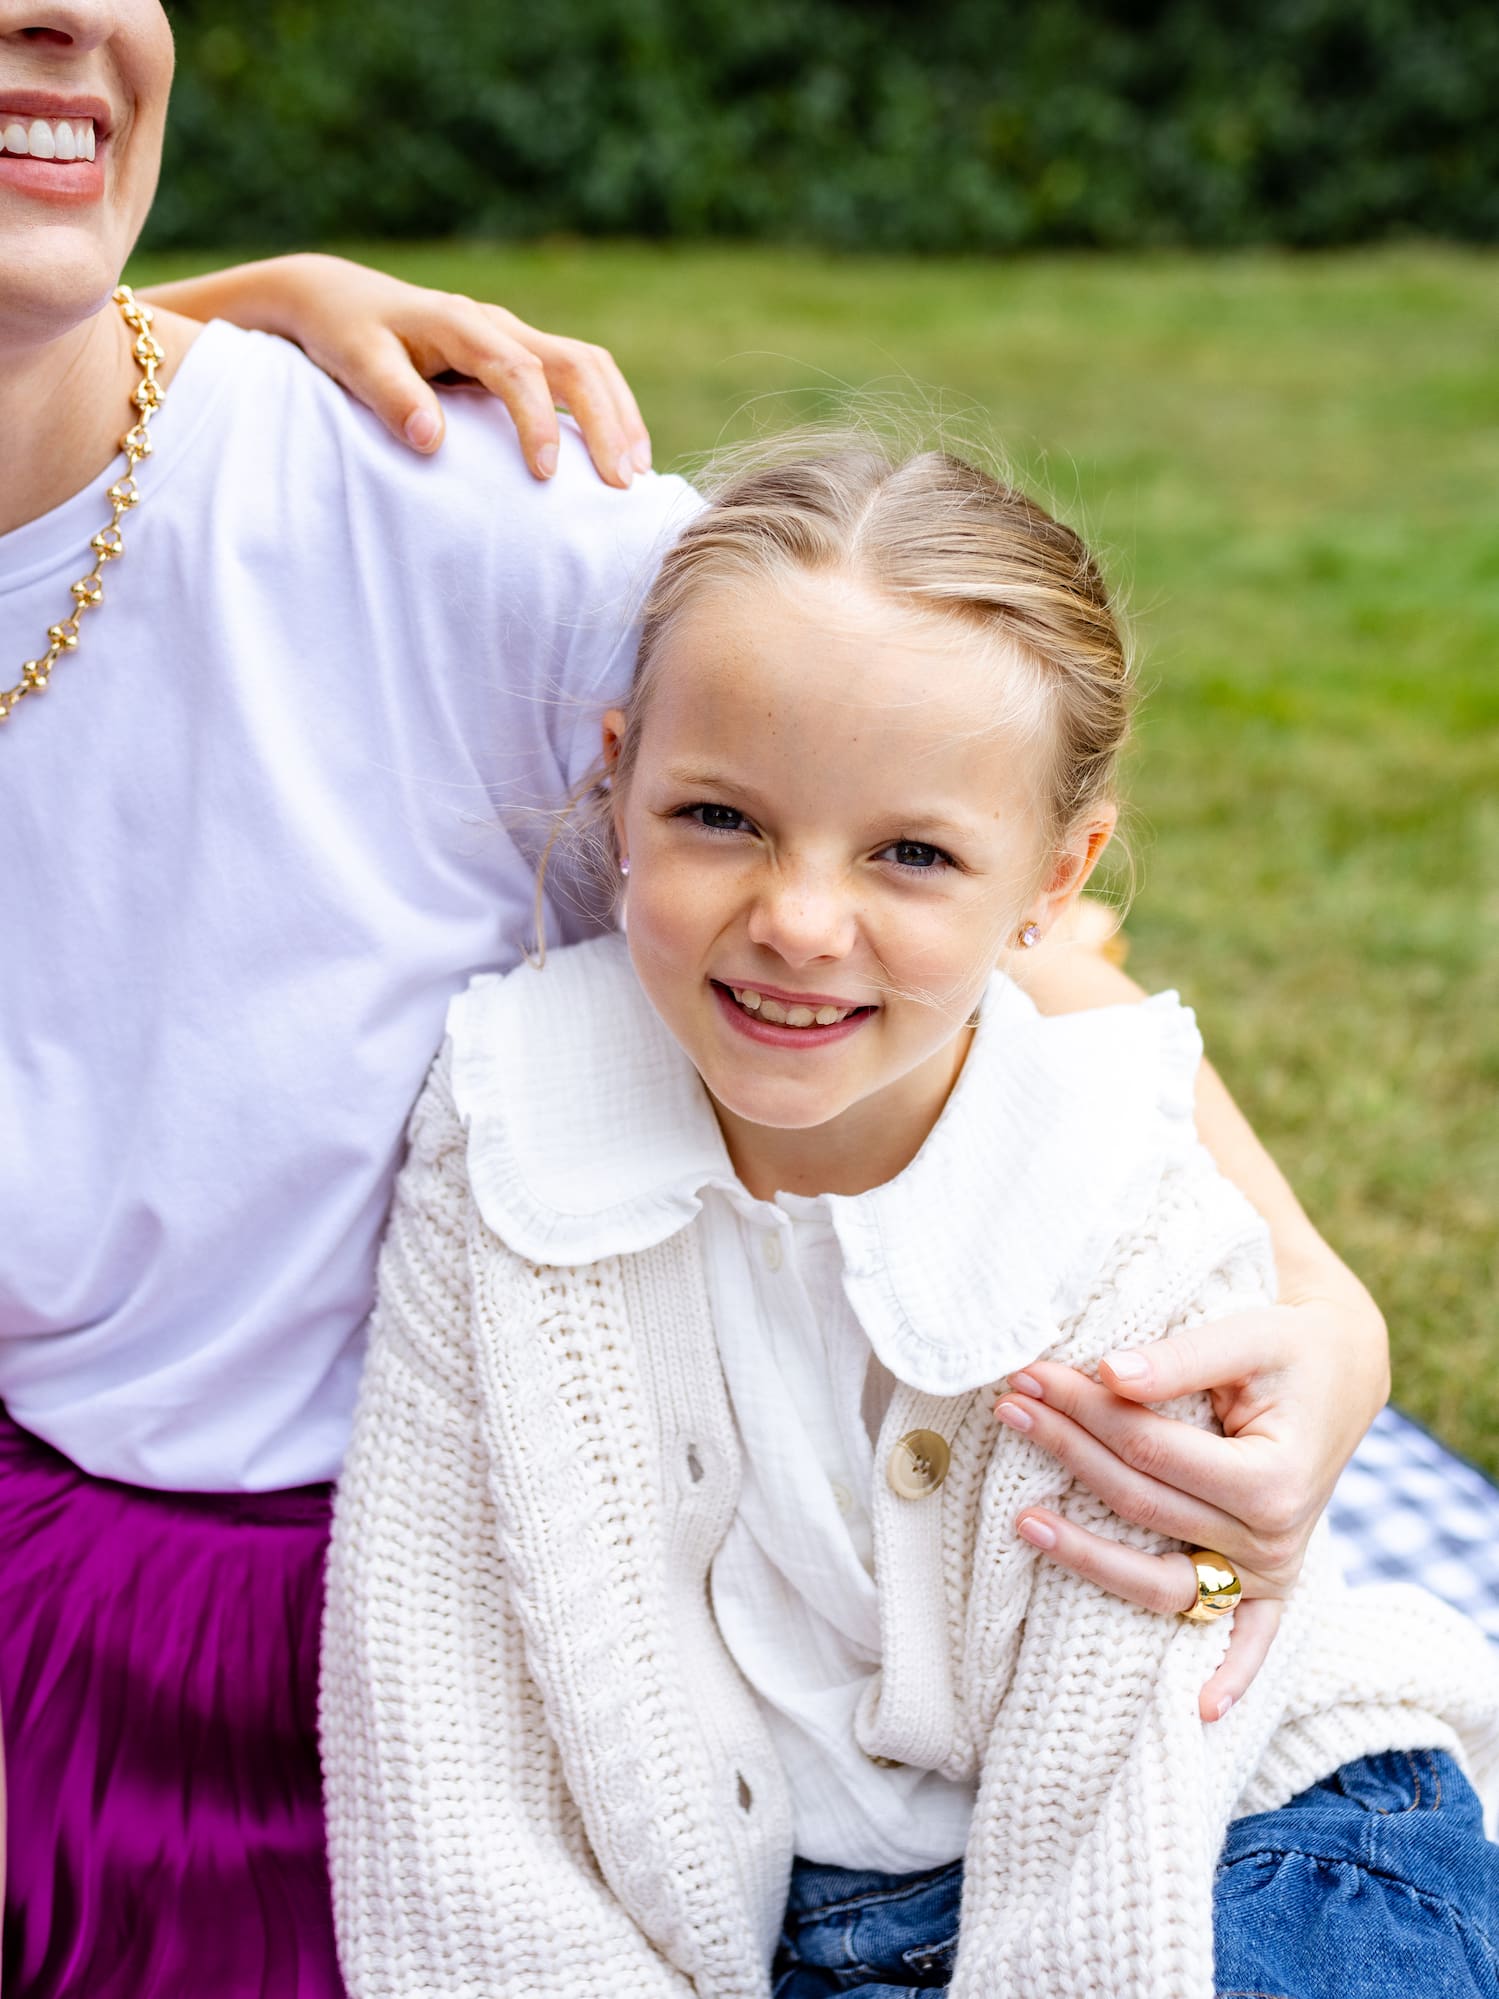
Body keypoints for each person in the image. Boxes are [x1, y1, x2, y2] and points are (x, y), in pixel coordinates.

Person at [0, 3, 1400, 1992]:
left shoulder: (436, 500)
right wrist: (200, 293)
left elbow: (929, 859)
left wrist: (1319, 1303)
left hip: (452, 1601)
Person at [323, 439, 1499, 1999]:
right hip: (801, 1922)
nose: (801, 921)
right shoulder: (514, 1123)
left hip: (1226, 1845)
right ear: (618, 780)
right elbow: (443, 1715)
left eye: (913, 854)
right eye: (722, 818)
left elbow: (1114, 1782)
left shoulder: (1107, 1182)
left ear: (1054, 879)